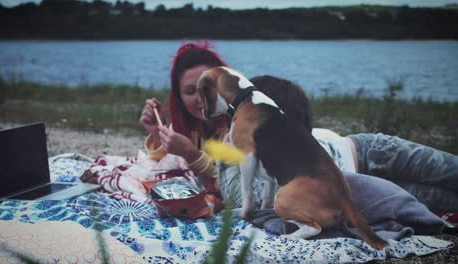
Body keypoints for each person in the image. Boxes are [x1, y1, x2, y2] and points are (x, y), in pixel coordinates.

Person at [250, 75, 458, 213]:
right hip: (370, 193)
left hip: (369, 150)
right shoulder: (248, 172)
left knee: (450, 170)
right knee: (443, 200)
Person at [139, 42, 229, 188]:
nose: (202, 99)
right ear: (179, 98)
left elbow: (233, 184)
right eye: (190, 91)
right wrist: (157, 132)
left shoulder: (239, 122)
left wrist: (191, 154)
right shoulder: (185, 125)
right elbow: (164, 165)